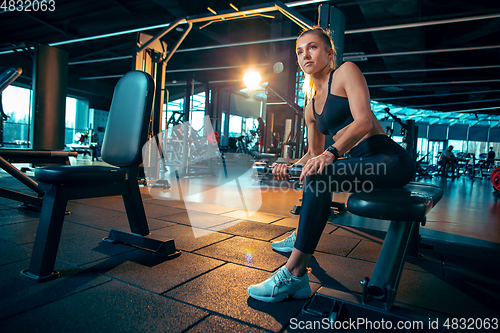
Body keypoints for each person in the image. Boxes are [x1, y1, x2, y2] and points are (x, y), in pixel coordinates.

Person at [247, 27, 415, 303]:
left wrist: (331, 153)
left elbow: (362, 121)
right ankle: (302, 240)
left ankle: (295, 272)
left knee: (321, 174)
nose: (305, 55)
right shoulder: (310, 107)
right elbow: (313, 154)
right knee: (318, 173)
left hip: (389, 160)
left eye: (312, 48)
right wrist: (286, 166)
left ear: (328, 52)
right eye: (300, 52)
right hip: (357, 162)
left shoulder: (346, 73)